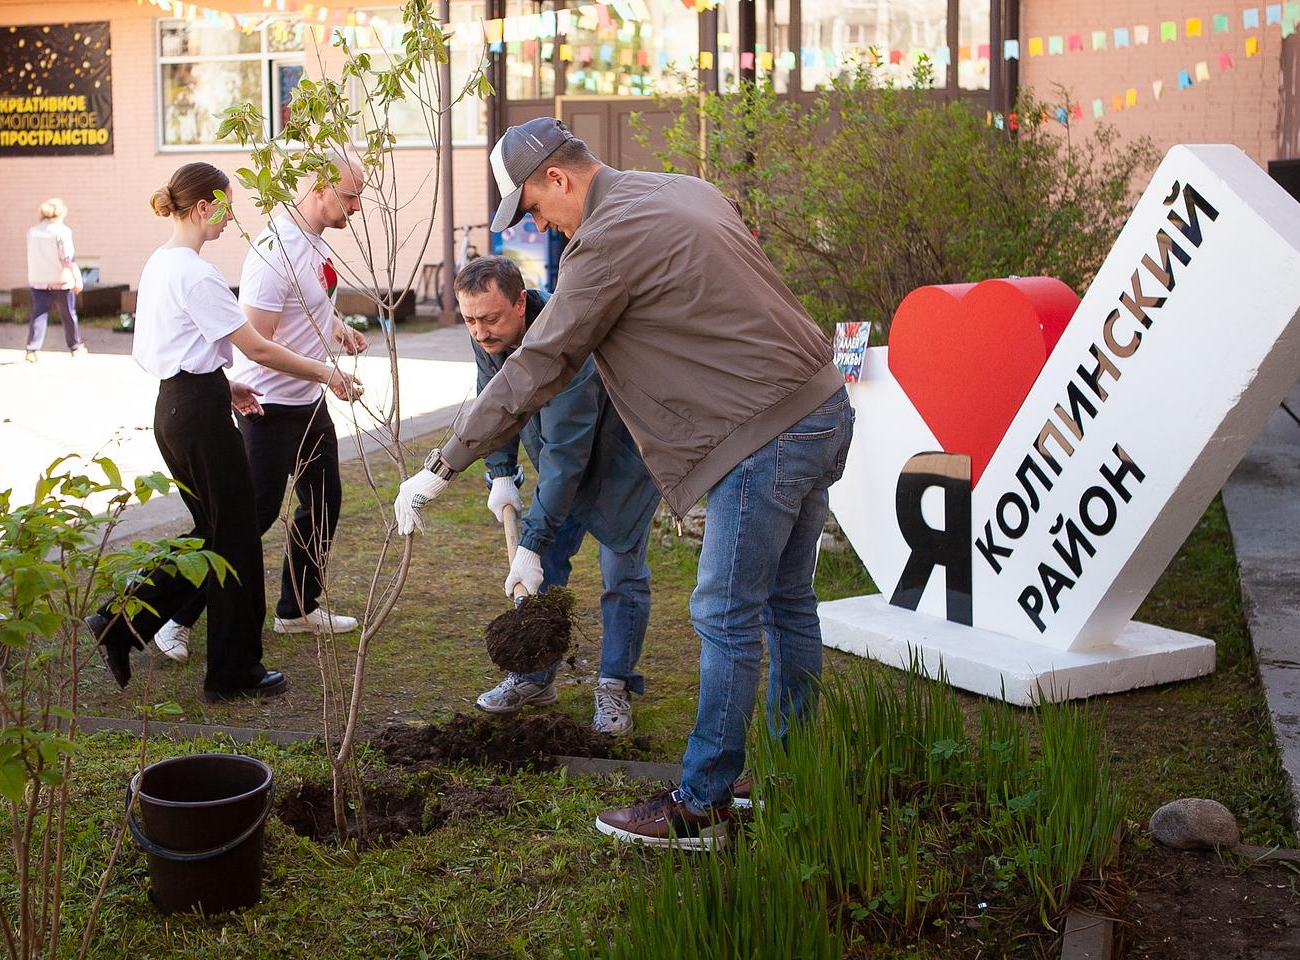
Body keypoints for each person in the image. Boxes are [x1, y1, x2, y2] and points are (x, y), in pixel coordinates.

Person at [392, 118, 853, 850]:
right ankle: (787, 771)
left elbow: (540, 362)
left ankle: (700, 804)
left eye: (537, 209)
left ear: (560, 179)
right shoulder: (683, 189)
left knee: (724, 616)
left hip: (763, 435)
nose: (539, 225)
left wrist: (442, 465)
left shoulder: (604, 241)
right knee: (787, 602)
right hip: (821, 406)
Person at [83, 162, 363, 703]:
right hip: (196, 411)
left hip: (184, 401)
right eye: (226, 207)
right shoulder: (194, 271)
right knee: (233, 535)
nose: (231, 218)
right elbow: (255, 345)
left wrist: (222, 386)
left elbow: (183, 345)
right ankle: (233, 670)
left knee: (216, 531)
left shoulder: (163, 265)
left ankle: (122, 622)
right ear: (203, 207)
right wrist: (327, 373)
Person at [150, 154, 370, 664]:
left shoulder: (314, 240)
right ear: (318, 188)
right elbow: (260, 340)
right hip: (268, 407)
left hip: (307, 403)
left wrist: (336, 329)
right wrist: (326, 373)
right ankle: (174, 617)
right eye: (351, 195)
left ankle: (297, 609)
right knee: (246, 521)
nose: (357, 207)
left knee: (322, 501)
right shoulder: (275, 252)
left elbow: (307, 306)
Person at [456, 255, 659, 735]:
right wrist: (501, 471)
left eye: (490, 318)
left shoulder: (570, 339)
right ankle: (534, 677)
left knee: (621, 577)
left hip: (620, 464)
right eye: (469, 320)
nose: (480, 332)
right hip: (560, 460)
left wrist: (529, 542)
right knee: (542, 568)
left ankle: (614, 685)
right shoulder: (492, 337)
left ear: (521, 302)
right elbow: (495, 401)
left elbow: (570, 457)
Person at [24, 198, 85, 362]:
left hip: (38, 280)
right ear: (61, 213)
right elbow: (67, 259)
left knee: (39, 314)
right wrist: (76, 277)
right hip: (60, 280)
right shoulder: (62, 232)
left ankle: (32, 349)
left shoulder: (32, 232)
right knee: (68, 314)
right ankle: (75, 347)